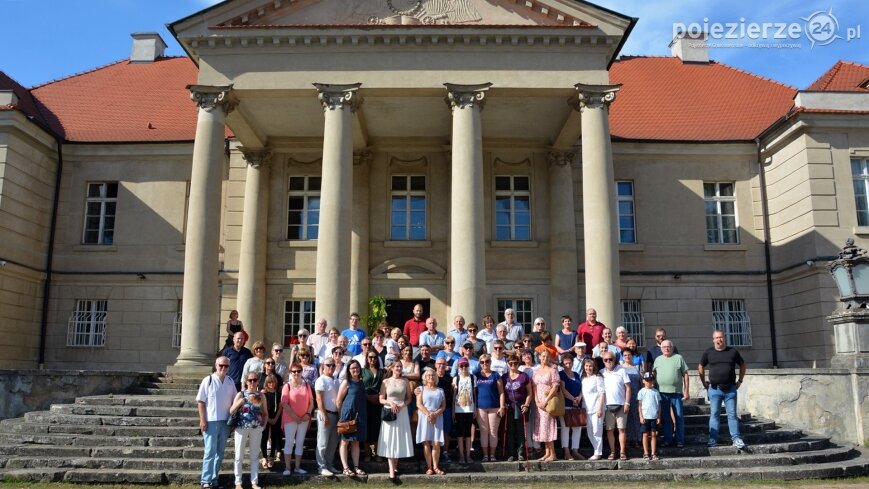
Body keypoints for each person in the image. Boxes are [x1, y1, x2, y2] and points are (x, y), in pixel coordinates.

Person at [699, 329, 747, 449]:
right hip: (714, 389)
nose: (719, 340)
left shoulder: (732, 351)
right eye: (717, 338)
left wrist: (740, 380)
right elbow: (700, 366)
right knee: (714, 414)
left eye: (721, 337)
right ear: (713, 340)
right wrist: (703, 382)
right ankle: (713, 439)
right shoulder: (708, 352)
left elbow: (743, 365)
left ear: (724, 338)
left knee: (732, 415)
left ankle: (736, 438)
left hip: (730, 389)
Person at [197, 357, 237, 489]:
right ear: (216, 365)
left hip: (225, 421)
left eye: (226, 366)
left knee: (220, 452)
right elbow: (201, 402)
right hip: (211, 421)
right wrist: (203, 420)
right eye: (221, 365)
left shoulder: (230, 381)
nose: (223, 368)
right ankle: (205, 480)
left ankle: (214, 479)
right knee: (210, 451)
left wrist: (233, 422)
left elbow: (234, 402)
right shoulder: (208, 380)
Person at [378, 360, 414, 480]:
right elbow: (381, 399)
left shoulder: (405, 381)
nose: (399, 368)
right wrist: (390, 402)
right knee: (389, 439)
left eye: (400, 366)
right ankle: (391, 470)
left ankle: (395, 465)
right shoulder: (385, 381)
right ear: (392, 368)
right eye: (397, 366)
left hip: (402, 411)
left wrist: (402, 405)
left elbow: (409, 398)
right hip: (389, 411)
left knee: (399, 438)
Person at [230, 372, 265, 489]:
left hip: (256, 428)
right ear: (246, 381)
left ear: (257, 382)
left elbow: (265, 412)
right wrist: (240, 402)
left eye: (254, 380)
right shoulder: (240, 394)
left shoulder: (261, 395)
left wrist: (263, 425)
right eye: (250, 380)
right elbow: (231, 410)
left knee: (254, 455)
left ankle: (254, 482)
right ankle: (238, 482)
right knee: (239, 455)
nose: (252, 382)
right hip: (241, 427)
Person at [652, 339, 689, 448]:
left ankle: (680, 440)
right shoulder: (657, 360)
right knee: (666, 417)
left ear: (672, 348)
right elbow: (653, 375)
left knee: (679, 417)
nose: (666, 349)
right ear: (661, 349)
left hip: (676, 393)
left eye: (668, 347)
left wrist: (686, 391)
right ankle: (668, 439)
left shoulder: (678, 358)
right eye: (664, 347)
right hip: (662, 393)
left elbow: (685, 375)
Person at [280, 363, 313, 475]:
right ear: (291, 373)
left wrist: (307, 414)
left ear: (301, 372)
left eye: (298, 371)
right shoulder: (287, 386)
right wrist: (295, 417)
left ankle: (298, 467)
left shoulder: (307, 386)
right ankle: (288, 468)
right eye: (294, 371)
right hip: (290, 419)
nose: (296, 373)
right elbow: (284, 403)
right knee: (289, 443)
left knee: (300, 442)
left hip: (304, 420)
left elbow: (311, 402)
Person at [336, 360, 367, 476]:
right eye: (352, 368)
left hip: (360, 416)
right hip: (347, 416)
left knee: (356, 443)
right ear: (348, 370)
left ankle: (356, 467)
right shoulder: (346, 382)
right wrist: (342, 417)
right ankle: (345, 468)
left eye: (357, 367)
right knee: (344, 442)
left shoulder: (362, 382)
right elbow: (339, 401)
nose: (355, 370)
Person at [600, 351, 631, 460]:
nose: (608, 361)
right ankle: (612, 452)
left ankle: (622, 452)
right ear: (603, 361)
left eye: (610, 359)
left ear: (615, 360)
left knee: (621, 429)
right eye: (606, 359)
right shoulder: (601, 373)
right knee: (609, 430)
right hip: (607, 406)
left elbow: (628, 388)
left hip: (621, 404)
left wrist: (627, 403)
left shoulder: (622, 370)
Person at [415, 368, 447, 475]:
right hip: (425, 417)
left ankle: (436, 466)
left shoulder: (440, 390)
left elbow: (443, 406)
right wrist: (429, 414)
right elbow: (419, 404)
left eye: (433, 375)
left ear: (436, 377)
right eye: (428, 375)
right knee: (427, 442)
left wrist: (435, 414)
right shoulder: (421, 389)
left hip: (437, 417)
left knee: (436, 442)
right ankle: (429, 467)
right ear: (425, 377)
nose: (430, 377)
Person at [475, 353, 505, 462]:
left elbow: (501, 392)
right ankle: (485, 455)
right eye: (482, 362)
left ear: (490, 362)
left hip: (494, 407)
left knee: (493, 431)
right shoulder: (476, 375)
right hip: (480, 407)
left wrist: (502, 407)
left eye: (487, 361)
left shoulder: (496, 375)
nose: (484, 364)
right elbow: (474, 393)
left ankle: (492, 455)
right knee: (484, 431)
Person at [503, 353, 532, 462]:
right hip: (509, 406)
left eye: (515, 363)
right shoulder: (504, 377)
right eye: (511, 363)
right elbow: (501, 393)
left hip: (521, 406)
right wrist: (503, 404)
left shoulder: (524, 376)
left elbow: (530, 393)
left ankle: (521, 453)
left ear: (518, 363)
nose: (513, 365)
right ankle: (511, 454)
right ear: (508, 364)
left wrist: (527, 404)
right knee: (510, 431)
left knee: (521, 430)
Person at [314, 357, 341, 476]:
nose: (331, 367)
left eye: (333, 365)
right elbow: (318, 398)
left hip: (335, 414)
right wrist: (324, 414)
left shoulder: (336, 381)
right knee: (323, 442)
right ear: (323, 367)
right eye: (328, 365)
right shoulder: (321, 380)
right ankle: (321, 466)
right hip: (325, 414)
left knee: (333, 442)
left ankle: (329, 464)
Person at [533, 349, 559, 462]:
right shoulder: (536, 371)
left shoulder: (552, 370)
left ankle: (553, 453)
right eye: (543, 356)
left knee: (548, 426)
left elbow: (555, 387)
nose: (545, 359)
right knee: (542, 427)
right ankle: (547, 452)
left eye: (547, 357)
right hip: (539, 403)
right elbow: (534, 387)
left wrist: (546, 400)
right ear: (539, 357)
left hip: (548, 402)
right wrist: (537, 401)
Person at [559, 352, 584, 460]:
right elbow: (563, 390)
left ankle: (575, 450)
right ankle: (567, 452)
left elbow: (581, 389)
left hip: (577, 405)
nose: (568, 365)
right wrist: (572, 399)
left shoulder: (577, 374)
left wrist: (579, 397)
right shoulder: (561, 374)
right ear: (562, 364)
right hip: (566, 405)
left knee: (577, 428)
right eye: (566, 363)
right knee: (565, 428)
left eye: (570, 363)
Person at [580, 357, 606, 461]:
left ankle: (598, 452)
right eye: (586, 366)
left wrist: (600, 408)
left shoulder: (598, 378)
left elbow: (602, 393)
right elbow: (582, 392)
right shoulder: (583, 378)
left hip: (596, 408)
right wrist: (578, 398)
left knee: (597, 430)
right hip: (586, 408)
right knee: (589, 431)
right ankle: (596, 449)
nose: (588, 368)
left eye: (590, 366)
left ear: (594, 367)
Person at [362, 350, 385, 462]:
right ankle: (367, 454)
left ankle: (377, 453)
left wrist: (379, 397)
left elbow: (384, 386)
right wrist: (367, 397)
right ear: (367, 358)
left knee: (377, 428)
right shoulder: (362, 371)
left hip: (378, 403)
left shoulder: (381, 372)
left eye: (375, 357)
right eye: (370, 357)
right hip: (365, 402)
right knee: (367, 428)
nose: (372, 359)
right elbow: (361, 386)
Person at [452, 357, 475, 464]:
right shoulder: (455, 379)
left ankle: (468, 455)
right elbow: (453, 396)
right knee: (460, 433)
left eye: (465, 365)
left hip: (470, 408)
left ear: (468, 366)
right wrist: (453, 410)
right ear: (458, 367)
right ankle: (461, 455)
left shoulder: (472, 377)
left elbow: (474, 393)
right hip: (459, 408)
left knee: (468, 432)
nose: (464, 367)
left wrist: (475, 408)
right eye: (461, 366)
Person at [259, 373, 283, 470]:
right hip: (265, 417)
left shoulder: (278, 393)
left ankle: (272, 456)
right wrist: (267, 418)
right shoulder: (263, 393)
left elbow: (280, 407)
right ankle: (264, 457)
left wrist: (276, 418)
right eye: (269, 382)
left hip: (275, 417)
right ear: (266, 383)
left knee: (274, 437)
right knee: (264, 437)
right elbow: (260, 407)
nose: (271, 384)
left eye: (273, 382)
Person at [637, 371, 662, 461]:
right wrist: (641, 416)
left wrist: (659, 416)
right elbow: (639, 405)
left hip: (654, 417)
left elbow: (659, 405)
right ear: (643, 381)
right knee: (645, 434)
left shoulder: (656, 392)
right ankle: (646, 453)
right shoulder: (641, 392)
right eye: (647, 380)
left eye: (651, 380)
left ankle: (653, 453)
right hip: (645, 417)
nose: (649, 382)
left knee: (654, 434)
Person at [620, 349, 643, 449]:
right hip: (625, 396)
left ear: (632, 356)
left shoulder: (637, 367)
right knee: (626, 419)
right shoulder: (620, 368)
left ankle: (637, 439)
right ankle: (627, 440)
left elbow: (641, 382)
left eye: (629, 355)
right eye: (625, 355)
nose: (627, 357)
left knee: (636, 417)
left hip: (636, 395)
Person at [434, 357, 454, 463]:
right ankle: (435, 452)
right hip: (434, 409)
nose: (441, 366)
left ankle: (445, 452)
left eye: (443, 364)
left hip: (446, 408)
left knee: (446, 431)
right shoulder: (431, 377)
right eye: (439, 364)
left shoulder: (449, 378)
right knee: (435, 431)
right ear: (436, 365)